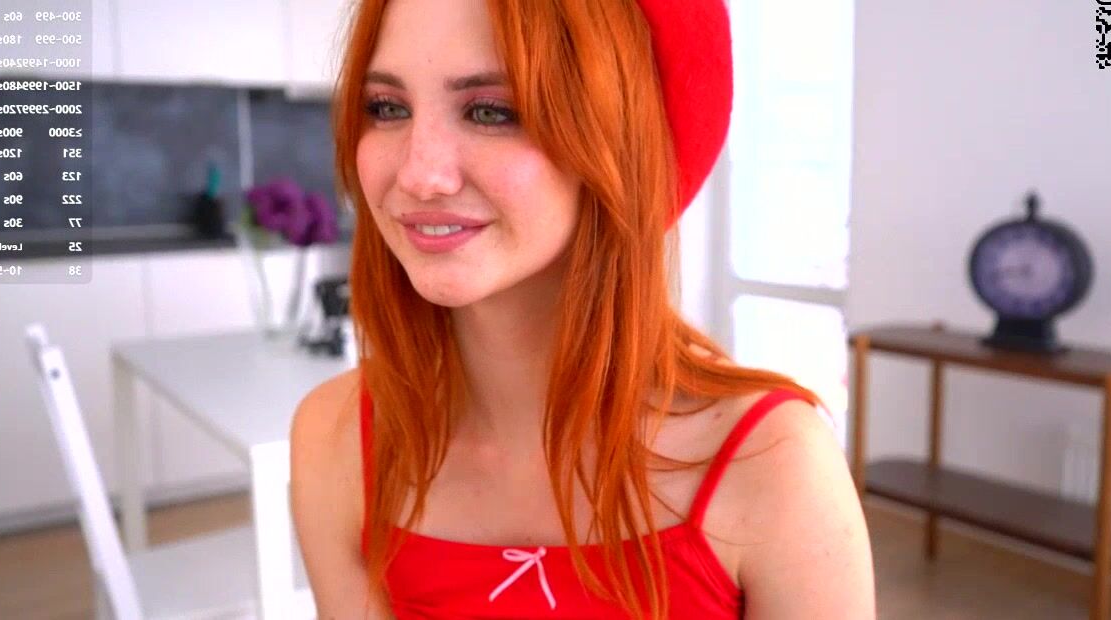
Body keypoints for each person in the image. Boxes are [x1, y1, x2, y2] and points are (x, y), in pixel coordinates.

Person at [289, 0, 875, 618]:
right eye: (387, 108)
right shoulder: (336, 439)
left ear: (617, 141)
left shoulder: (773, 464)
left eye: (492, 111)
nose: (419, 175)